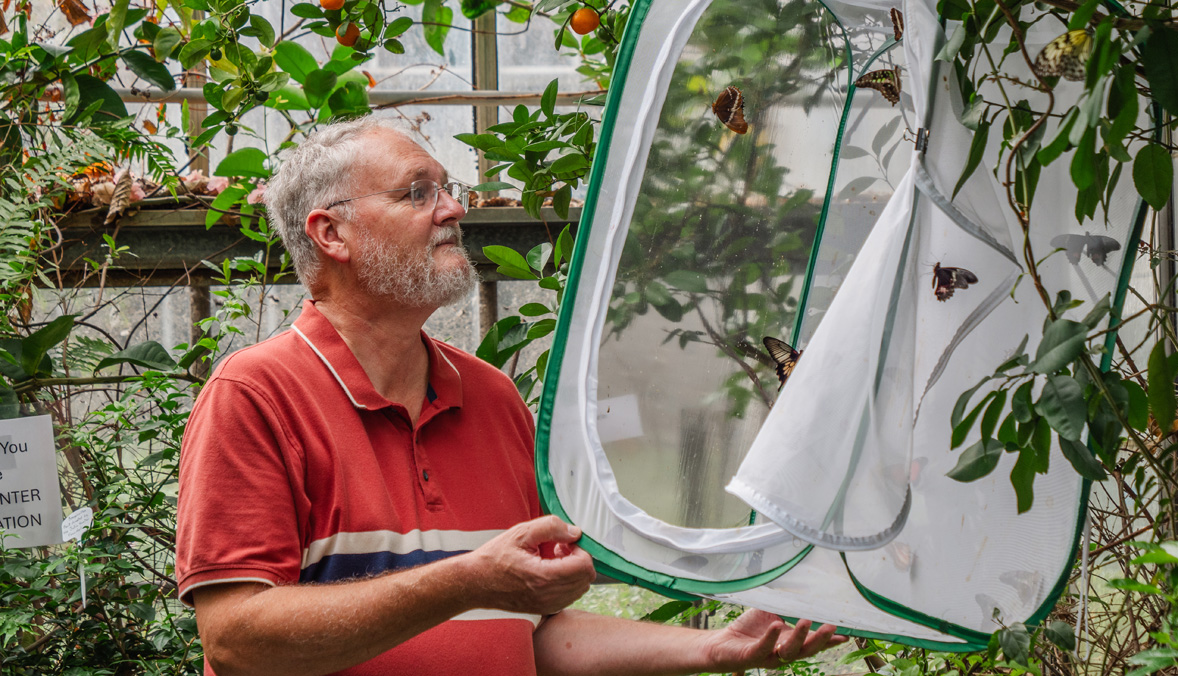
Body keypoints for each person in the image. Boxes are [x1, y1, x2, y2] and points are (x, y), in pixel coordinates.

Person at [175, 116, 845, 676]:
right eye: (416, 192)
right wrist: (465, 580)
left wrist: (714, 647)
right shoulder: (255, 396)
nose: (453, 208)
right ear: (331, 234)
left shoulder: (490, 398)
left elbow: (533, 630)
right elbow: (236, 639)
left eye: (447, 187)